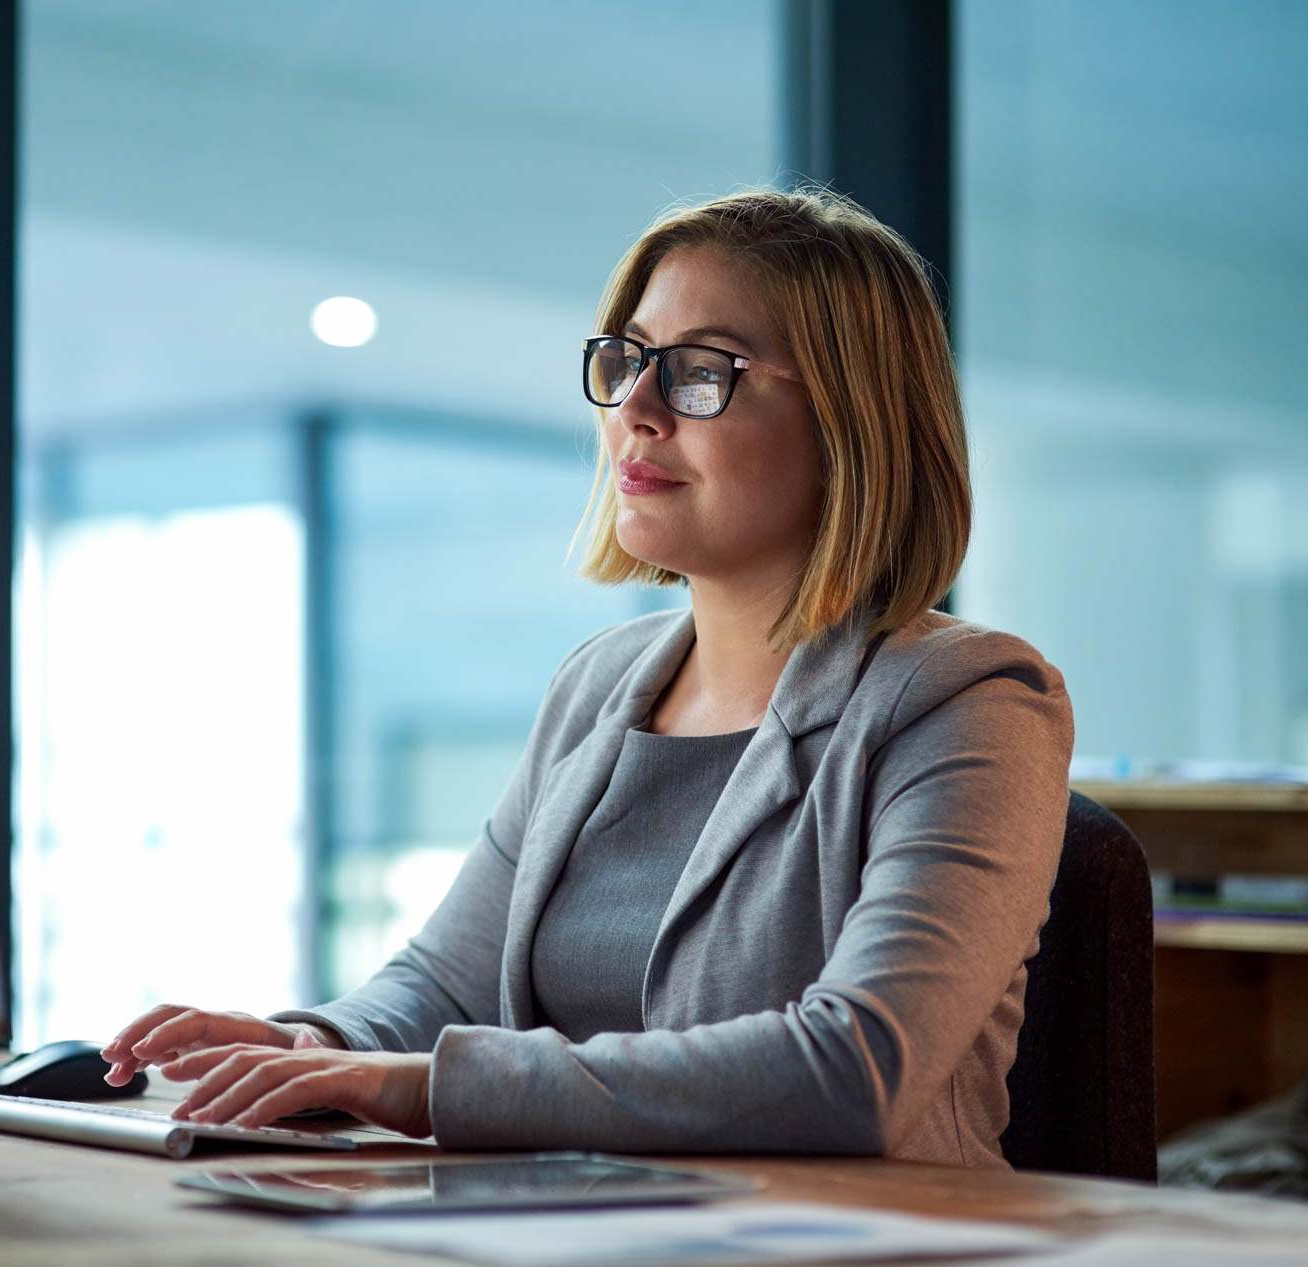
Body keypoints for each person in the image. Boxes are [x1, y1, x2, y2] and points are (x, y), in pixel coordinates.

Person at [99, 188, 1072, 1167]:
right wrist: (318, 1046)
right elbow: (447, 982)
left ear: (850, 417)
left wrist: (426, 1087)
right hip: (573, 1233)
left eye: (700, 373)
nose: (636, 412)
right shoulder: (601, 684)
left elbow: (855, 1070)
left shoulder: (972, 704)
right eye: (629, 361)